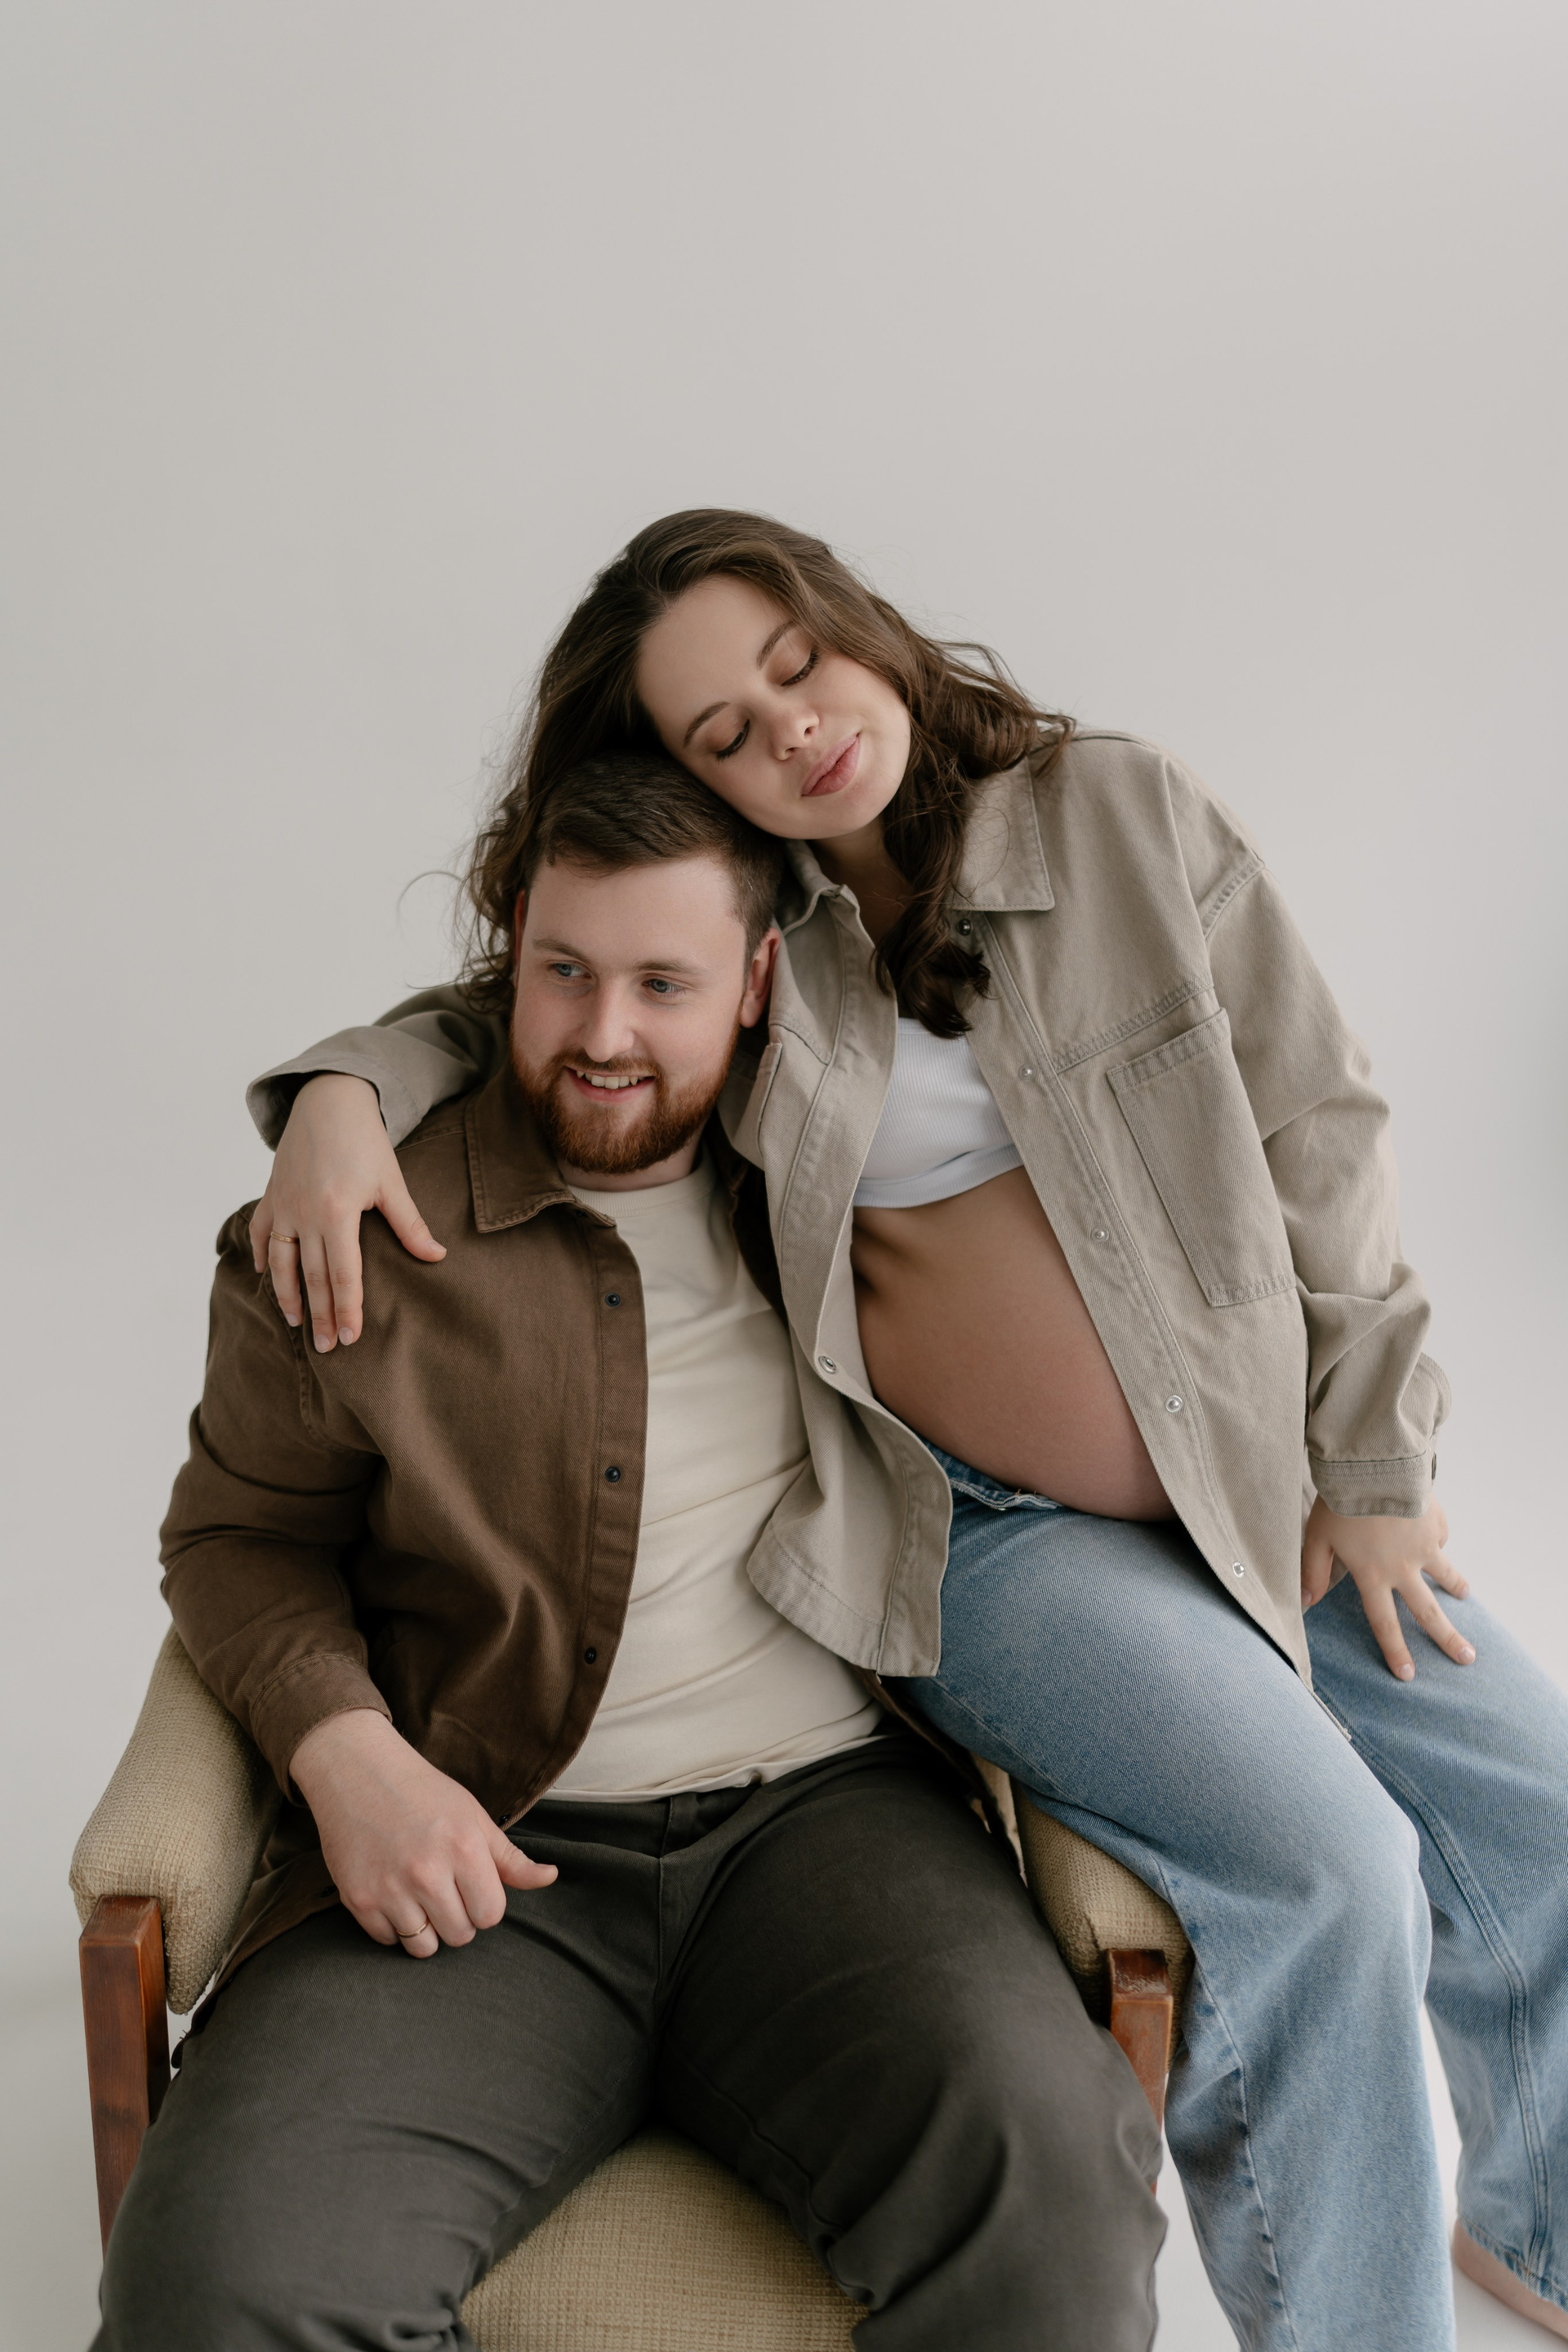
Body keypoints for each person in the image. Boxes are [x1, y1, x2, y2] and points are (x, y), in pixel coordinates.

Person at [250, 510, 1568, 2352]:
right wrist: (338, 1091)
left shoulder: (1121, 815)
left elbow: (1321, 1127)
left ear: (855, 625)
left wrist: (1376, 1466)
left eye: (795, 665)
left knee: (1533, 1801)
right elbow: (539, 1000)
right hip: (981, 1540)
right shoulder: (748, 935)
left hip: (1257, 1482)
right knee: (1333, 1868)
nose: (790, 731)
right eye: (723, 733)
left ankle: (1533, 2229)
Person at [96, 755, 1164, 2352]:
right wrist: (346, 1757)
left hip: (833, 1833)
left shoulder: (850, 1186)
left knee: (1058, 2197)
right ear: (508, 959)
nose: (604, 1033)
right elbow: (238, 1535)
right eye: (565, 973)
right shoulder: (353, 1225)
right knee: (217, 2282)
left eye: (664, 983)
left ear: (756, 981)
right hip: (474, 1840)